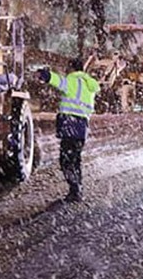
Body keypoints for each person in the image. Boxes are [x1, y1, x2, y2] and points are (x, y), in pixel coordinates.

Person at [37, 58, 99, 203]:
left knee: (66, 160)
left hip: (70, 124)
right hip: (82, 126)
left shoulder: (72, 81)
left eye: (68, 67)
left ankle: (74, 190)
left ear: (72, 68)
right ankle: (77, 188)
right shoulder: (89, 85)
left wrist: (45, 75)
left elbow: (57, 81)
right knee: (75, 159)